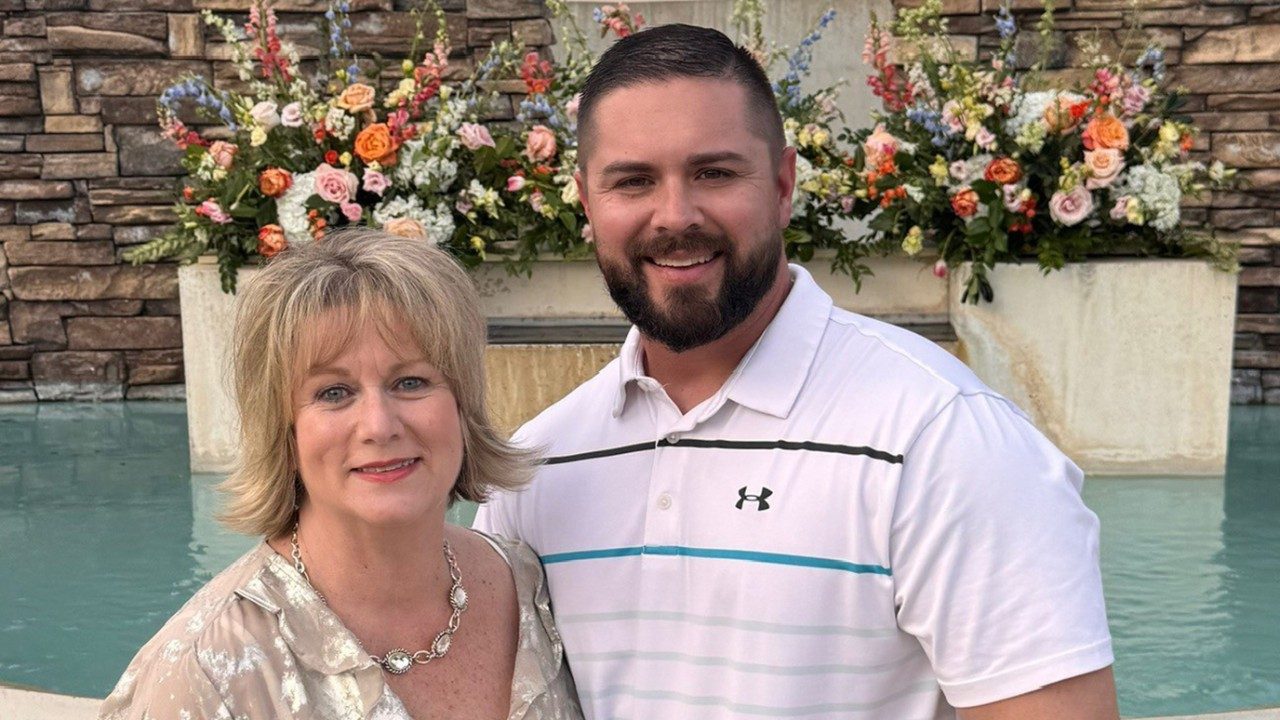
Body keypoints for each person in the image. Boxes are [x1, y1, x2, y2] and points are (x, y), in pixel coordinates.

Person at [474, 23, 1119, 720]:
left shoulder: (941, 437)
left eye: (714, 173)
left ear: (783, 185)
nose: (675, 216)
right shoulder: (535, 468)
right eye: (633, 181)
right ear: (586, 203)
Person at [100, 228, 583, 720]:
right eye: (333, 392)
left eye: (410, 382)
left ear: (462, 405)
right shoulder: (207, 673)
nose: (379, 425)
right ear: (284, 431)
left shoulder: (527, 584)